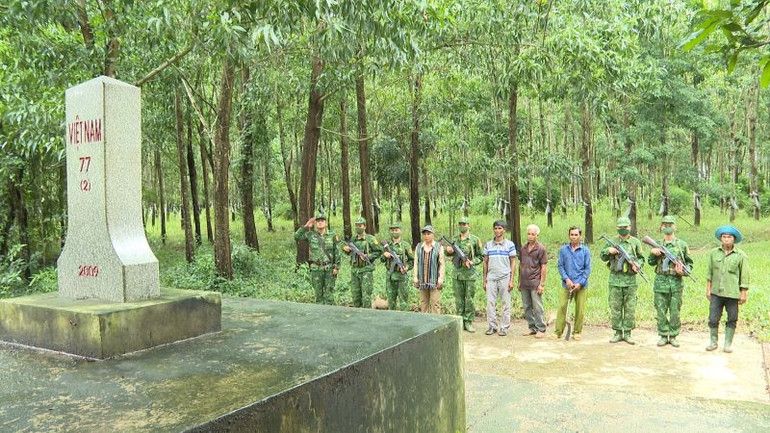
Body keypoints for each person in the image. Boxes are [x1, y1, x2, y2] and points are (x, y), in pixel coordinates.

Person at [648, 215, 694, 348]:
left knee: (675, 311)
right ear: (661, 227)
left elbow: (689, 265)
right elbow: (650, 263)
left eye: (670, 225)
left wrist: (683, 272)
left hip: (676, 284)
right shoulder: (657, 244)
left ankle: (673, 336)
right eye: (665, 225)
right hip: (660, 283)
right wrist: (653, 253)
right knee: (661, 311)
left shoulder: (682, 245)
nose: (668, 227)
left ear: (675, 227)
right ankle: (663, 335)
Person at [600, 216, 645, 344]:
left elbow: (641, 258)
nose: (623, 229)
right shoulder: (612, 241)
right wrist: (609, 251)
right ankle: (618, 332)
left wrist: (638, 265)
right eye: (621, 227)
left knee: (630, 308)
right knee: (615, 307)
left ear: (630, 228)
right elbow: (602, 256)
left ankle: (628, 333)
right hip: (615, 279)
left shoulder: (635, 242)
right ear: (617, 228)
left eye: (625, 227)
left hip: (630, 280)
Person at [705, 225, 749, 353]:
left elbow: (744, 276)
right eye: (724, 237)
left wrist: (744, 293)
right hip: (716, 293)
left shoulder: (741, 256)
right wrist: (708, 289)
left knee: (732, 318)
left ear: (734, 239)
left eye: (729, 237)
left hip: (732, 293)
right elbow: (710, 273)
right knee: (713, 318)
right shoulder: (714, 253)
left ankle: (728, 344)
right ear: (721, 239)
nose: (726, 239)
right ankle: (713, 342)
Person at [445, 216, 484, 332]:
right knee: (458, 299)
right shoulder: (454, 239)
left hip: (469, 275)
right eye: (460, 224)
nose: (462, 226)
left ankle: (468, 321)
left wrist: (472, 262)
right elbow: (448, 254)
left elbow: (480, 256)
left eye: (464, 224)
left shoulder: (475, 240)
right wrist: (448, 251)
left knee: (469, 299)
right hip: (457, 274)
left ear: (469, 226)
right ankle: (460, 321)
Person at [552, 226, 591, 341]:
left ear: (580, 236)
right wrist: (566, 279)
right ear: (569, 236)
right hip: (567, 285)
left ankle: (577, 332)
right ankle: (558, 331)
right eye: (572, 235)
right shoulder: (564, 250)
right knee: (562, 307)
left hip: (581, 286)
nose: (573, 237)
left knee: (580, 309)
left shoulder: (585, 251)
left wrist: (580, 283)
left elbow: (587, 269)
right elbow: (560, 265)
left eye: (576, 235)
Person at [294, 213, 340, 304]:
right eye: (318, 221)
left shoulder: (332, 235)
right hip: (316, 269)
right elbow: (297, 236)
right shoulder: (311, 235)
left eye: (322, 221)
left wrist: (337, 267)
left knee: (329, 295)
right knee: (318, 296)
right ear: (315, 223)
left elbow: (337, 251)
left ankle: (330, 315)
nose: (320, 223)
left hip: (329, 268)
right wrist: (306, 226)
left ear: (326, 223)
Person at [482, 220, 517, 336]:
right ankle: (492, 326)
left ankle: (504, 327)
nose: (497, 230)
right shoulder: (488, 245)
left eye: (500, 228)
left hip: (505, 277)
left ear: (504, 230)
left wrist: (511, 280)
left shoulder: (510, 245)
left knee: (505, 303)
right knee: (490, 303)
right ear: (493, 229)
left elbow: (513, 263)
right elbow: (485, 263)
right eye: (496, 228)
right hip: (491, 278)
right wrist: (484, 280)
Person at [341, 217, 382, 308]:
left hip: (366, 270)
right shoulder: (353, 239)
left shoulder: (370, 239)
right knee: (355, 295)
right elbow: (349, 253)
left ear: (365, 226)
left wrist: (368, 256)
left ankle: (366, 316)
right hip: (355, 270)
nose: (358, 228)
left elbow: (379, 251)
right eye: (356, 226)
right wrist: (346, 249)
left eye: (360, 225)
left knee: (366, 296)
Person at [518, 224, 548, 338]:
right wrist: (519, 281)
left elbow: (544, 267)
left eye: (533, 234)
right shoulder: (523, 248)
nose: (530, 236)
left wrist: (541, 284)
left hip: (535, 282)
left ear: (537, 235)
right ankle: (532, 327)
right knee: (526, 306)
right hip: (524, 282)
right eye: (529, 234)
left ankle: (541, 328)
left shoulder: (540, 248)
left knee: (537, 306)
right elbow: (521, 265)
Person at [381, 222, 414, 311]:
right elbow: (381, 259)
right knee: (391, 301)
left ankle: (404, 321)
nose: (394, 232)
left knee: (403, 301)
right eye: (392, 230)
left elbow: (412, 260)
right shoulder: (386, 245)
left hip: (402, 277)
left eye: (396, 230)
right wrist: (385, 254)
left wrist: (406, 267)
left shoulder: (406, 245)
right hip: (390, 276)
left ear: (400, 231)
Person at [412, 225, 445, 314]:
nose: (426, 236)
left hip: (434, 280)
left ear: (433, 234)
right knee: (423, 303)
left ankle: (436, 324)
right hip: (422, 280)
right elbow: (416, 263)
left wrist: (440, 279)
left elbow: (442, 264)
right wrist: (415, 277)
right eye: (424, 234)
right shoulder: (419, 247)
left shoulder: (439, 247)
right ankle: (425, 324)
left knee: (435, 303)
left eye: (429, 234)